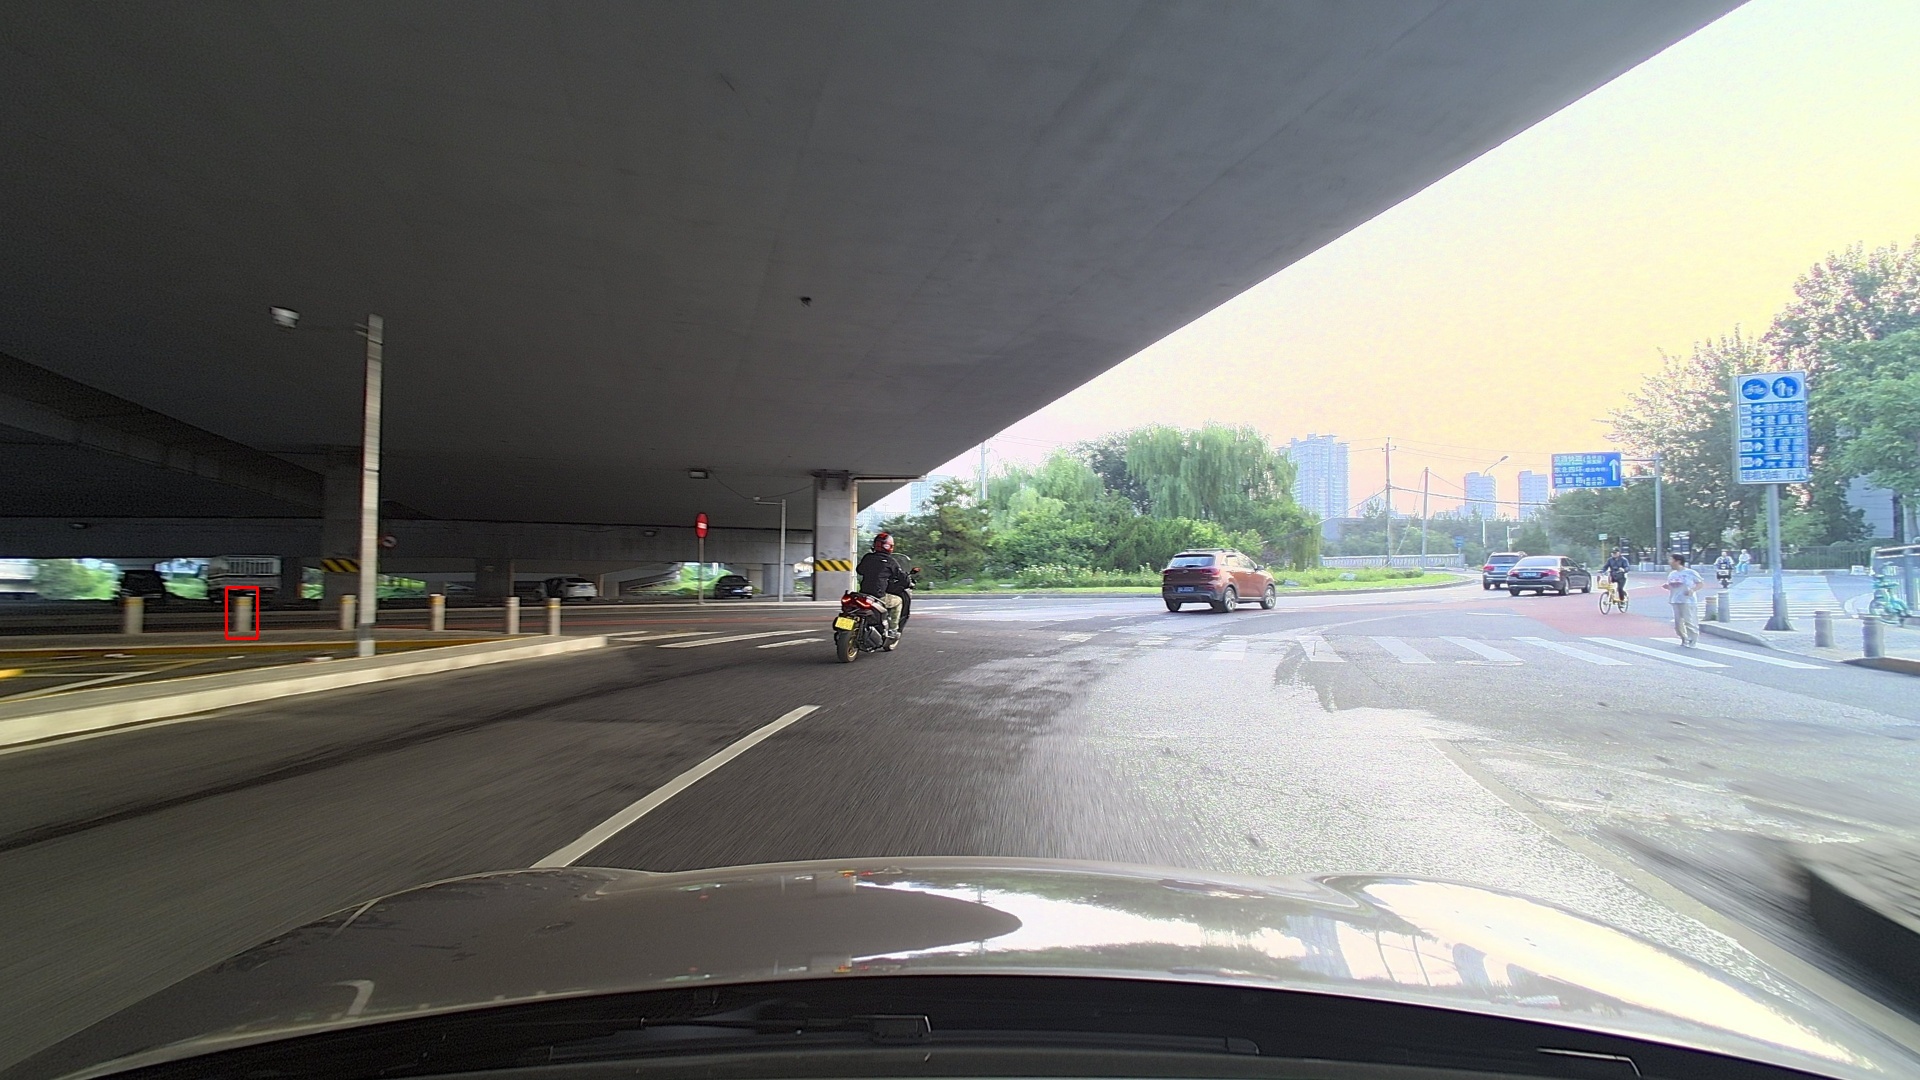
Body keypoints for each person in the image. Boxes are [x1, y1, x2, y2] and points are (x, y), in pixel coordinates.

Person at [856, 532, 910, 638]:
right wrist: (907, 581)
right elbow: (902, 577)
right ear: (889, 547)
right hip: (878, 596)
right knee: (898, 601)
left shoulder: (868, 557)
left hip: (864, 594)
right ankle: (893, 630)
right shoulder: (890, 561)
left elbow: (860, 570)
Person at [1664, 553, 1704, 647]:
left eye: (1671, 560)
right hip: (1675, 600)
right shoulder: (1672, 574)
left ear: (1678, 561)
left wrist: (1692, 590)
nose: (1669, 562)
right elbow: (1673, 586)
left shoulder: (1690, 572)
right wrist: (1667, 587)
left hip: (1688, 600)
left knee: (1689, 621)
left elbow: (1700, 583)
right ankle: (1684, 638)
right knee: (1678, 624)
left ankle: (1692, 640)